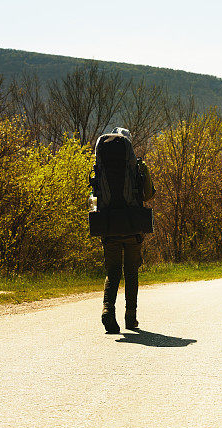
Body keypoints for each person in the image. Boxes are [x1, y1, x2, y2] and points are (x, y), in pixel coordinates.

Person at [98, 127, 154, 334]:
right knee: (131, 272)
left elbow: (93, 198)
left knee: (112, 272)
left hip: (109, 226)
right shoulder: (138, 167)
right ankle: (131, 318)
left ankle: (107, 310)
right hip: (132, 227)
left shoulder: (99, 169)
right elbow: (148, 195)